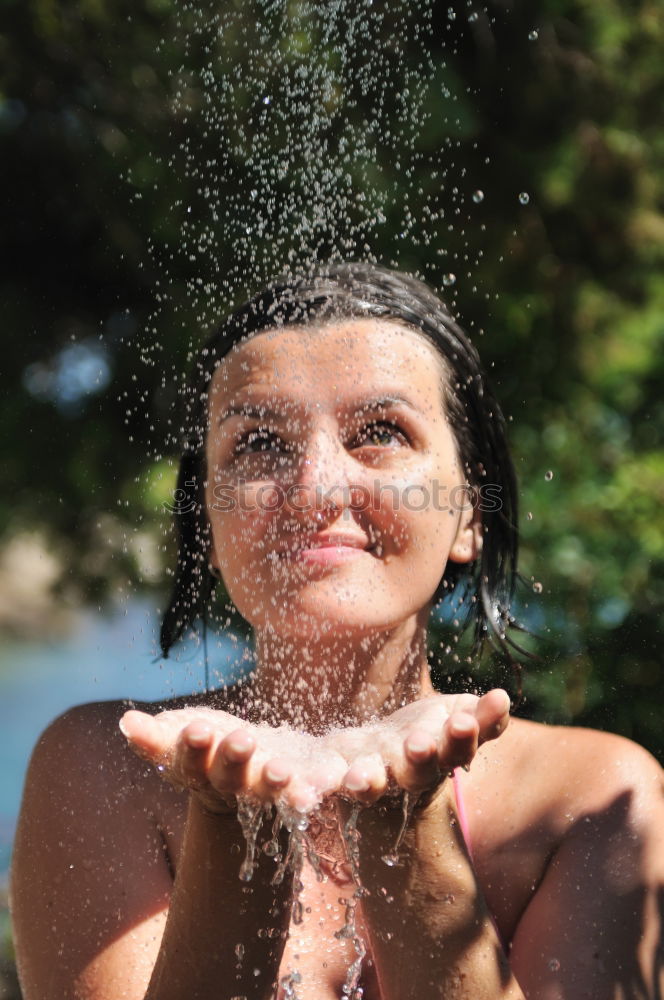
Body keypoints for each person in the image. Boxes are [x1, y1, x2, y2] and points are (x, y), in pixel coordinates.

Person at [10, 263, 663, 999]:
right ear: (209, 520)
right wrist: (235, 827)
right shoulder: (107, 768)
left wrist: (406, 828)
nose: (316, 487)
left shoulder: (595, 799)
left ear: (470, 513)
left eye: (380, 432)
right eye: (259, 443)